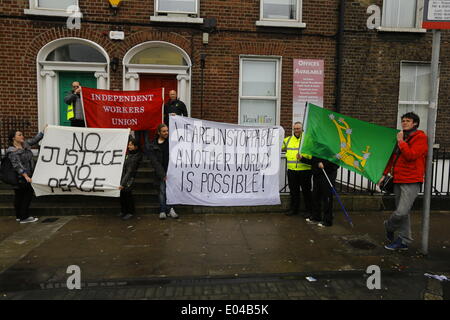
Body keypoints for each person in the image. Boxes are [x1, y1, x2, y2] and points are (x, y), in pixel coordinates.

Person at [379, 112, 428, 251]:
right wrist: (384, 174)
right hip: (398, 179)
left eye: (408, 121)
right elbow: (392, 158)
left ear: (415, 124)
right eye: (403, 121)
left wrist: (401, 142)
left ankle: (389, 226)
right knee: (404, 213)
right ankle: (404, 241)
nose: (404, 123)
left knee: (401, 212)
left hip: (412, 180)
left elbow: (411, 155)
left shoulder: (420, 138)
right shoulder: (402, 138)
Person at [6, 128, 45, 223]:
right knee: (26, 195)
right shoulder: (12, 151)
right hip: (20, 177)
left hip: (27, 175)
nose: (22, 136)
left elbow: (35, 140)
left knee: (19, 196)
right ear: (13, 138)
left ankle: (19, 216)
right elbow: (17, 165)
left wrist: (43, 131)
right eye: (19, 135)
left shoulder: (25, 144)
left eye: (22, 134)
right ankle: (24, 217)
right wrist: (26, 176)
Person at [282, 122, 313, 218]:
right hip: (292, 170)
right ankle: (294, 209)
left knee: (306, 192)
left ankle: (309, 211)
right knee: (294, 191)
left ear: (302, 129)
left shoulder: (307, 140)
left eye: (298, 128)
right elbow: (277, 146)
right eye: (295, 128)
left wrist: (302, 157)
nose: (296, 130)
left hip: (305, 170)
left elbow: (312, 156)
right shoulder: (288, 140)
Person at [149, 123, 178, 220]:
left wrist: (175, 119)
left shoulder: (171, 142)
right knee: (162, 191)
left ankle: (170, 209)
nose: (166, 133)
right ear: (159, 133)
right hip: (161, 173)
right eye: (164, 131)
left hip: (172, 171)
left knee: (171, 191)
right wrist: (162, 174)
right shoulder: (153, 145)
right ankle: (162, 210)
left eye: (167, 130)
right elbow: (155, 162)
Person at [118, 136, 143, 221]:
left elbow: (129, 171)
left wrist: (122, 183)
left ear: (136, 146)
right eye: (129, 145)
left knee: (127, 195)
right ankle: (124, 211)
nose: (129, 146)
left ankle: (130, 212)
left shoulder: (135, 157)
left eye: (131, 145)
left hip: (129, 179)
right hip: (125, 177)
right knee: (122, 195)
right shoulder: (129, 154)